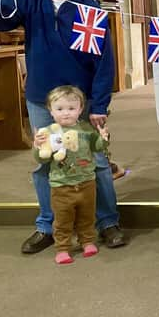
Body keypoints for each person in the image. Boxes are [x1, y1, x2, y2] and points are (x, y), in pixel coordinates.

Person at [0, 0, 125, 253]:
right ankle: (48, 224)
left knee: (96, 161)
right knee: (45, 162)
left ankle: (107, 221)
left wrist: (99, 105)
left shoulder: (90, 7)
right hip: (42, 100)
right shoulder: (29, 0)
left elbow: (104, 61)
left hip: (82, 101)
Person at [32, 86, 109, 264]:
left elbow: (96, 147)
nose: (65, 113)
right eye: (59, 109)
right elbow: (42, 159)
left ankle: (87, 241)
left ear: (81, 109)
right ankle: (62, 248)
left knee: (87, 216)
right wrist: (37, 145)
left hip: (86, 182)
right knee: (63, 219)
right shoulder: (48, 132)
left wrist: (103, 139)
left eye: (71, 109)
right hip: (61, 185)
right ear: (50, 110)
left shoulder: (86, 129)